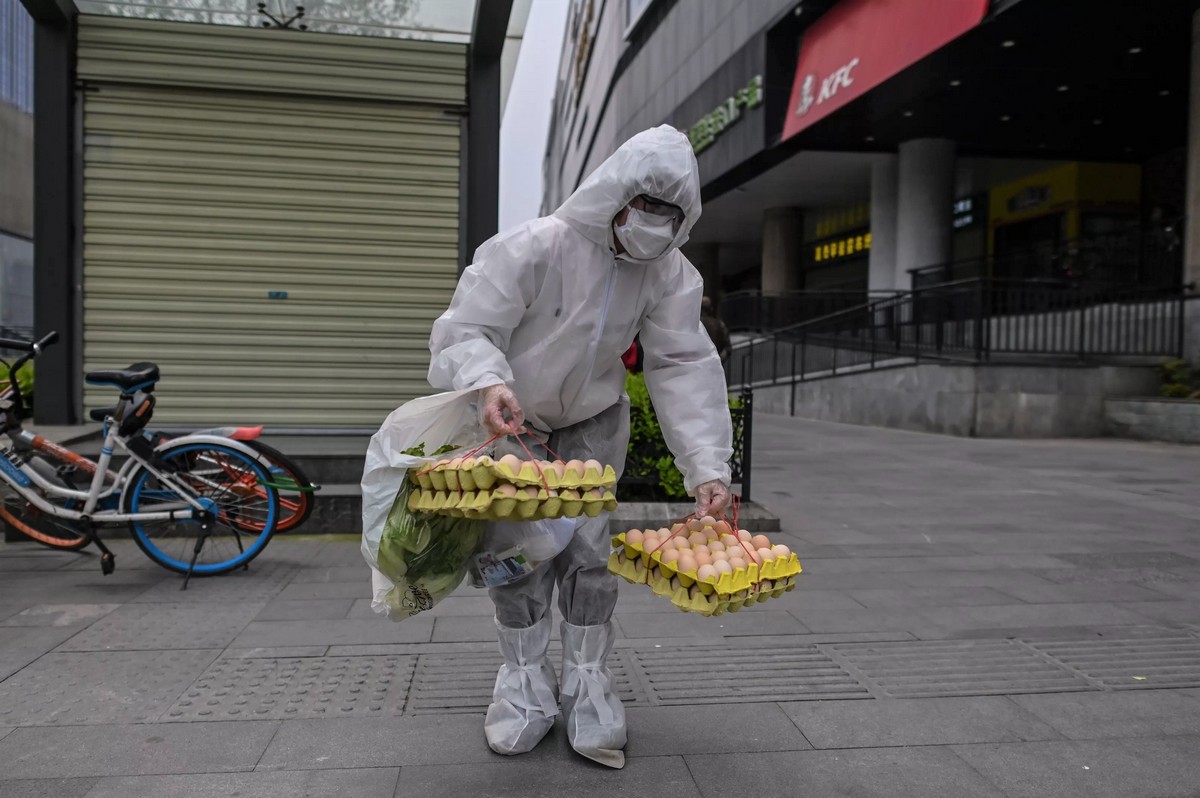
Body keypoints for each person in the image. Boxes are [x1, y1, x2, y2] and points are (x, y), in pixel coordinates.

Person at [427, 125, 732, 769]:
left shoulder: (667, 272)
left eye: (667, 218)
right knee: (515, 551)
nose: (652, 229)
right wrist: (487, 382)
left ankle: (588, 679)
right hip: (514, 418)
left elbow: (682, 362)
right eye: (644, 211)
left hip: (594, 419)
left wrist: (706, 465)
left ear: (683, 221)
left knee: (590, 551)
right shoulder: (537, 246)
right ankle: (523, 680)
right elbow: (468, 327)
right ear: (614, 199)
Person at [700, 296, 731, 363]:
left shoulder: (695, 325)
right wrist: (717, 360)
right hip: (715, 365)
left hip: (698, 366)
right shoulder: (720, 324)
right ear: (711, 309)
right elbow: (728, 348)